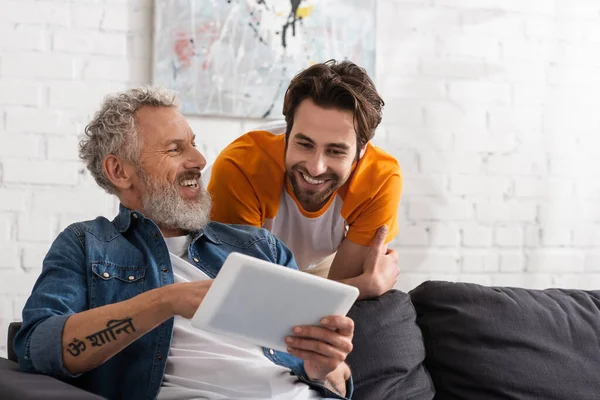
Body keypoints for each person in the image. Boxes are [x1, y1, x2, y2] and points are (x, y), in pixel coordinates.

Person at [12, 86, 395, 400]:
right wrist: (168, 301)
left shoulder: (260, 246)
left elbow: (334, 377)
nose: (199, 159)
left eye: (193, 144)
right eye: (175, 149)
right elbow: (38, 348)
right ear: (119, 171)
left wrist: (327, 368)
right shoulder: (87, 244)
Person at [206, 59, 403, 299]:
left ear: (361, 151)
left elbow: (336, 295)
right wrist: (366, 287)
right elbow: (249, 292)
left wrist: (348, 289)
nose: (316, 167)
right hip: (217, 269)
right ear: (287, 133)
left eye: (335, 151)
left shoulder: (380, 178)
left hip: (316, 268)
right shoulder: (242, 167)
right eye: (305, 144)